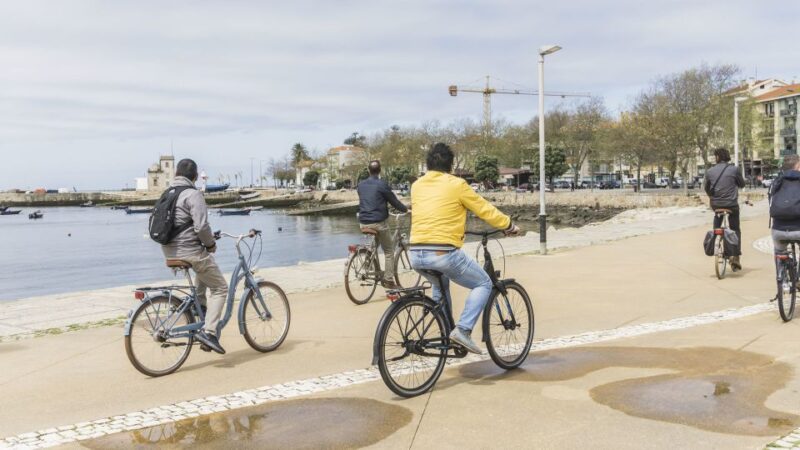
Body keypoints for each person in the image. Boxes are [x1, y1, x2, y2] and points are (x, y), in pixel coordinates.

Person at [409, 143, 520, 354]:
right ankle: (463, 330)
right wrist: (508, 225)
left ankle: (446, 334)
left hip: (415, 253)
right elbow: (484, 209)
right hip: (442, 253)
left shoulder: (417, 185)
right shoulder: (457, 184)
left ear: (428, 163)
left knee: (440, 288)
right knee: (484, 283)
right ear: (451, 165)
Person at [161, 159, 228, 354]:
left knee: (203, 268)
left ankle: (201, 311)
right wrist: (210, 244)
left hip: (168, 251)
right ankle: (210, 332)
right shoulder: (193, 194)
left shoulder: (168, 194)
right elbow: (201, 227)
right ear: (196, 176)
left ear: (176, 173)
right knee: (220, 288)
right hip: (189, 251)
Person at [356, 160, 409, 290]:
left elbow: (368, 200)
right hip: (378, 222)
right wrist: (406, 210)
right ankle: (389, 280)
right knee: (389, 251)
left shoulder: (361, 185)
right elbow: (394, 201)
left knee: (375, 244)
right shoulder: (382, 184)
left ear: (369, 171)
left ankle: (368, 263)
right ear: (380, 170)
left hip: (363, 222)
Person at [704, 147, 746, 271]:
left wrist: (714, 197)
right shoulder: (734, 170)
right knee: (735, 229)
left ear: (717, 157)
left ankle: (715, 234)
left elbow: (707, 188)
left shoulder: (710, 171)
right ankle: (736, 256)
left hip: (716, 205)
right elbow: (742, 184)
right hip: (732, 205)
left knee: (717, 221)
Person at [770, 154, 800, 255]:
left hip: (778, 230)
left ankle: (780, 269)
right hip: (798, 230)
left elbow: (771, 203)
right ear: (798, 166)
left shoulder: (777, 181)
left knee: (779, 252)